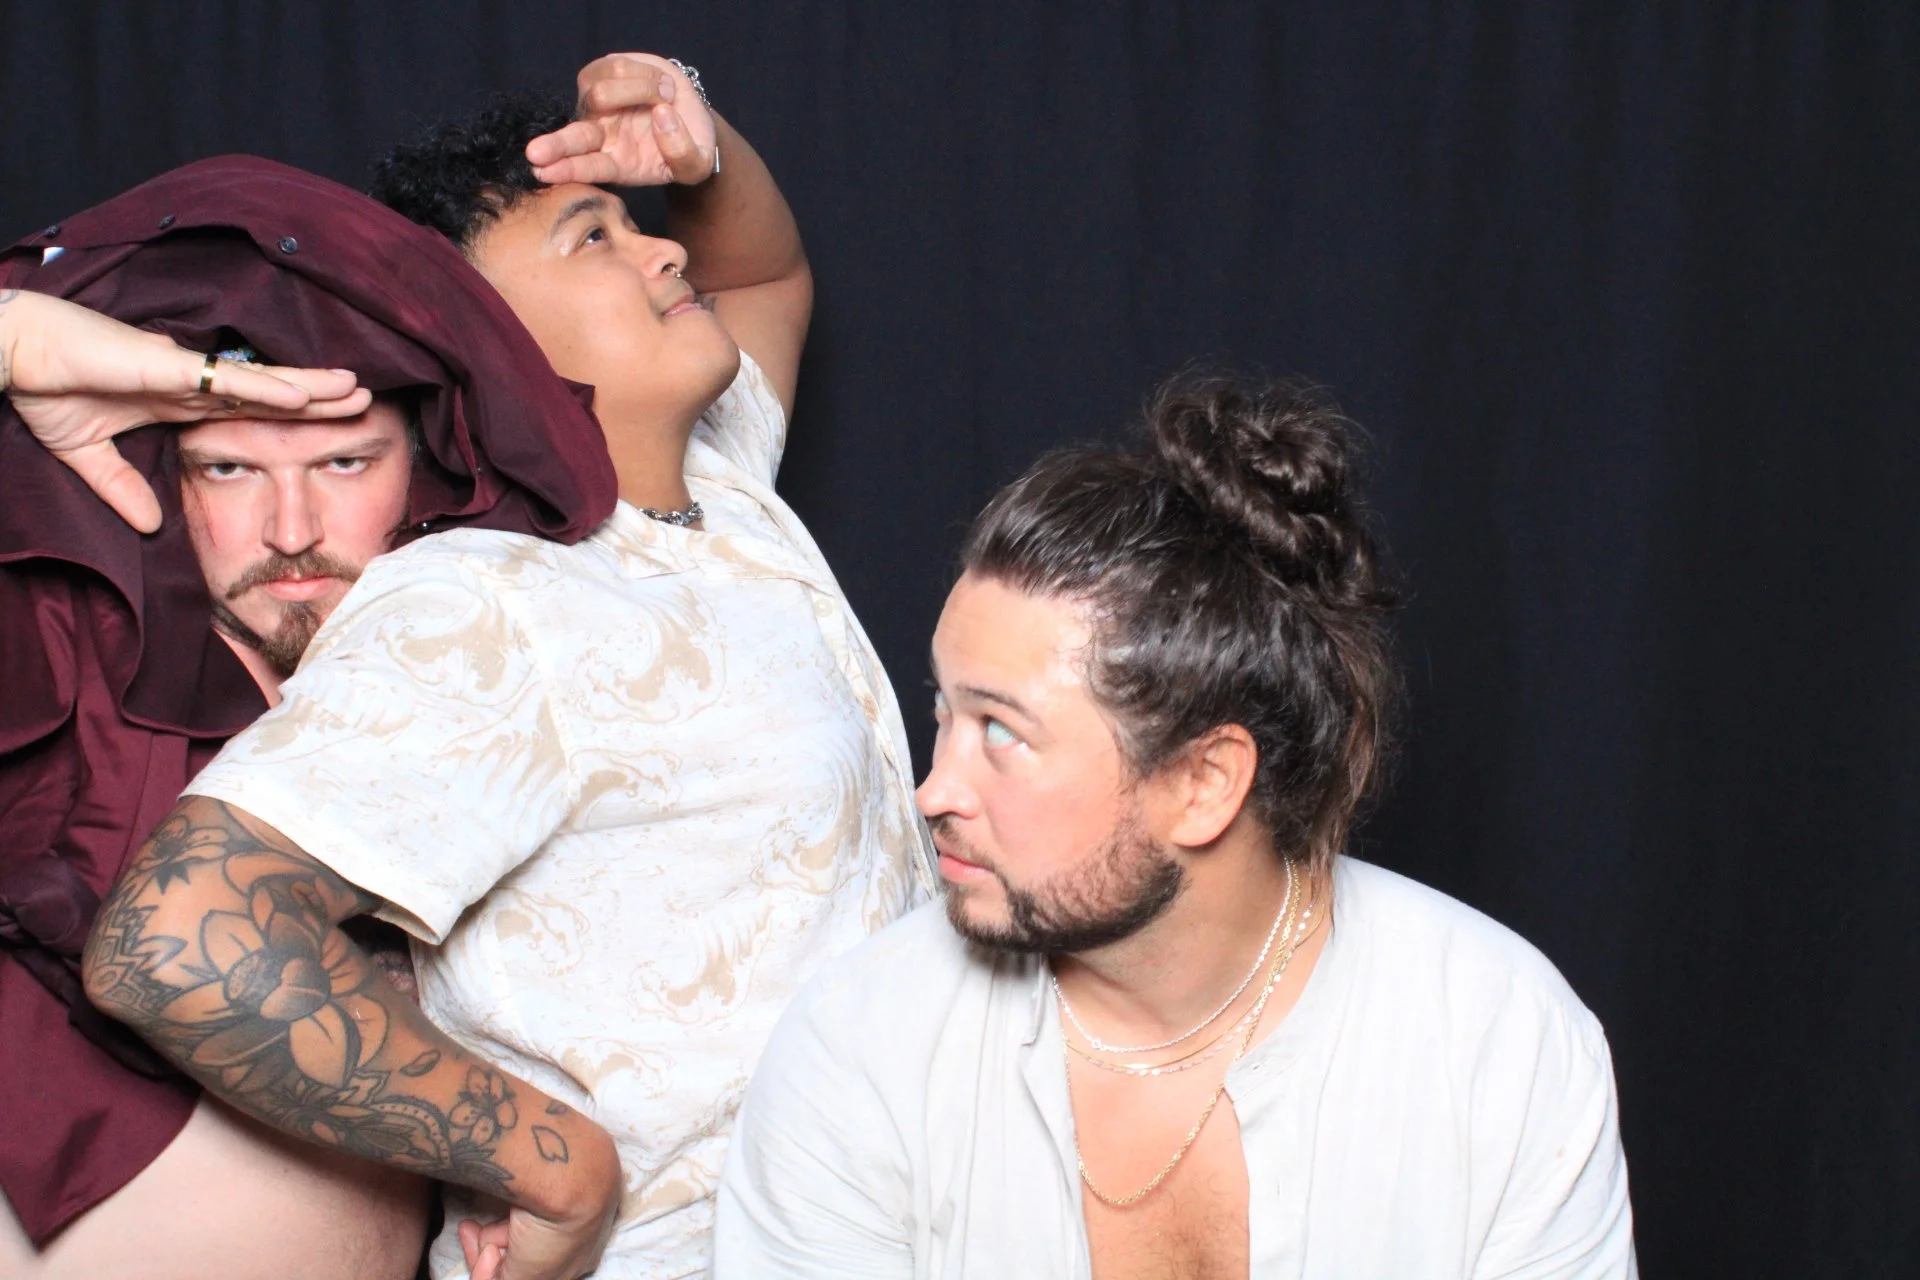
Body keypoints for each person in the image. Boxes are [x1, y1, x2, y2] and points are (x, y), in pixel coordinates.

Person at [78, 53, 933, 1280]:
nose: (666, 252)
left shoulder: (723, 483)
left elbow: (761, 267)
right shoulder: (480, 598)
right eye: (596, 237)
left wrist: (702, 151)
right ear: (478, 334)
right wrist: (554, 1162)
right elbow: (177, 935)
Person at [715, 375, 1639, 1278]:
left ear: (1204, 782)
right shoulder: (860, 1047)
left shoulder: (1499, 1042)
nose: (933, 791)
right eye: (943, 712)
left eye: (1002, 731)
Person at [2, 152, 622, 1280]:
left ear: (427, 466)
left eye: (346, 459)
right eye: (229, 467)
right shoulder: (58, 652)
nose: (292, 525)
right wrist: (9, 339)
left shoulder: (482, 667)